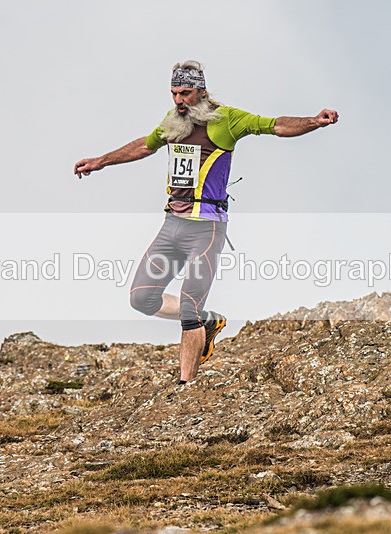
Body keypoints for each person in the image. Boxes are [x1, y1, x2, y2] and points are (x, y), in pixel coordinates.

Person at [74, 60, 338, 384]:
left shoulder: (227, 120)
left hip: (206, 229)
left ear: (201, 91)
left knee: (189, 309)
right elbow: (144, 145)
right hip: (172, 225)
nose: (179, 100)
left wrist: (314, 121)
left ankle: (185, 386)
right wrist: (101, 161)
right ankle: (209, 321)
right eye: (174, 93)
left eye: (185, 93)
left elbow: (275, 126)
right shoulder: (173, 122)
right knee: (141, 298)